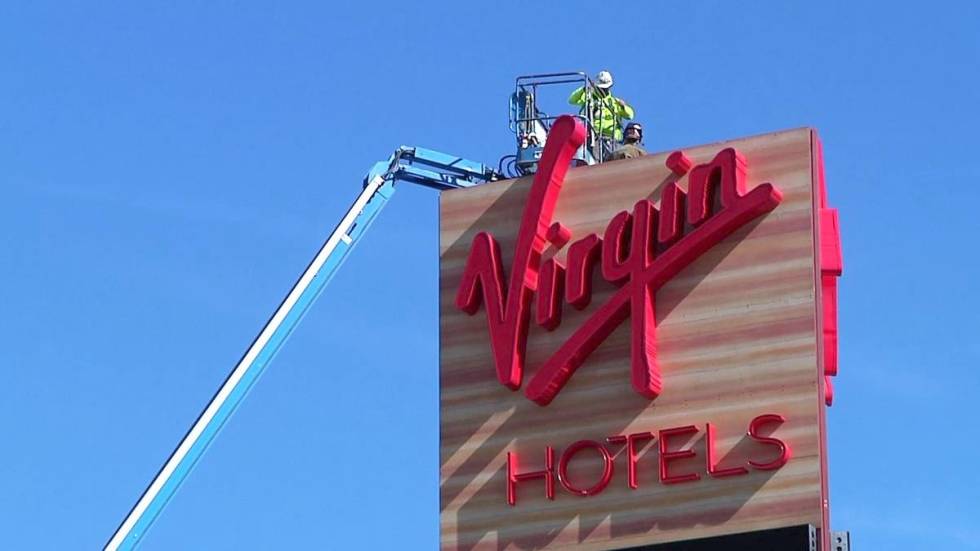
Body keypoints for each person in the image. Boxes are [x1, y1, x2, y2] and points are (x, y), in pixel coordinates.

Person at [568, 70, 635, 158]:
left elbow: (630, 115)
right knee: (595, 160)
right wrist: (584, 89)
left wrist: (623, 106)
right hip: (594, 137)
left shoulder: (614, 102)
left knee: (612, 163)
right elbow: (572, 100)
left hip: (612, 140)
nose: (603, 89)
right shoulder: (589, 97)